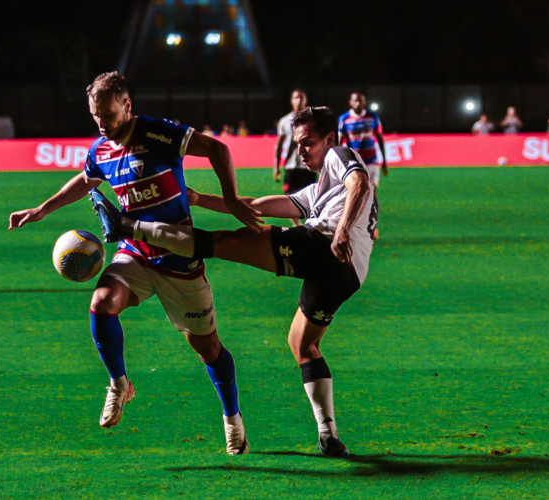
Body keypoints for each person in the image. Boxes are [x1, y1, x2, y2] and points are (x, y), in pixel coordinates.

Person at [91, 106, 375, 457]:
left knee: (223, 243)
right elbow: (256, 205)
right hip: (346, 275)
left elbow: (360, 183)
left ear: (330, 139)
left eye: (308, 143)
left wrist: (343, 230)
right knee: (302, 346)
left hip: (325, 247)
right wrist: (199, 199)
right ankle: (328, 435)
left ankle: (129, 227)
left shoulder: (339, 155)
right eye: (298, 144)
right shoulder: (319, 191)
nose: (301, 151)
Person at [8, 71, 260, 455]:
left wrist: (233, 199)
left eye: (108, 115)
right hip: (135, 253)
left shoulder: (158, 134)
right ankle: (119, 384)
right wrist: (42, 210)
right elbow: (85, 180)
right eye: (96, 117)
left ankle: (232, 418)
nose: (102, 124)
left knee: (208, 350)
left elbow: (218, 150)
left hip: (180, 260)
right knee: (101, 304)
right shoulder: (100, 150)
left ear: (127, 105)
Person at [338, 92, 386, 239]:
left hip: (371, 160)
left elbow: (379, 137)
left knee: (372, 193)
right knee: (353, 194)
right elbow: (340, 141)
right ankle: (353, 226)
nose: (358, 103)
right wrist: (340, 161)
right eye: (355, 101)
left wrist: (384, 161)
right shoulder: (344, 118)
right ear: (350, 102)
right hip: (355, 162)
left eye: (360, 101)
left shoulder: (372, 117)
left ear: (364, 102)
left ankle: (373, 227)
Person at [273, 89, 317, 226]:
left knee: (312, 198)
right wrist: (276, 167)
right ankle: (297, 225)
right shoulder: (285, 121)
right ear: (291, 101)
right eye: (295, 98)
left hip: (309, 165)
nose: (298, 101)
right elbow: (279, 145)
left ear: (306, 100)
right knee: (290, 197)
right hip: (290, 166)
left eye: (301, 98)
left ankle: (309, 224)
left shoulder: (313, 120)